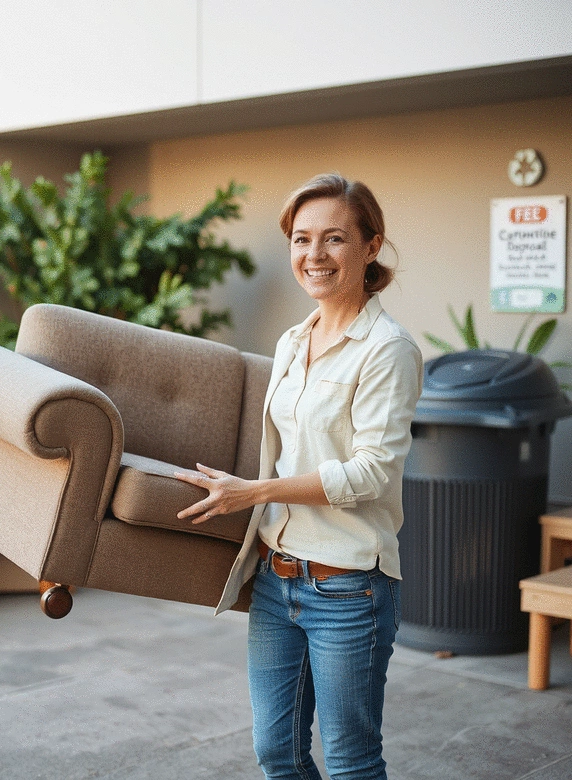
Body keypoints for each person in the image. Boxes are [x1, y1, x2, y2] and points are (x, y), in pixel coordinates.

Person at [175, 173, 423, 780]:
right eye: (301, 239)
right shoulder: (292, 341)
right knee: (277, 753)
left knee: (349, 761)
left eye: (333, 239)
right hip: (275, 580)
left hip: (347, 588)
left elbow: (371, 472)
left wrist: (255, 493)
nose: (313, 256)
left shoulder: (387, 349)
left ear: (370, 247)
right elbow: (279, 449)